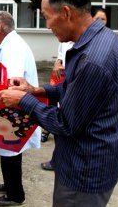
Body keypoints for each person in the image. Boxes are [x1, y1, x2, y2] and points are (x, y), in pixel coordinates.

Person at [0, 0, 118, 207]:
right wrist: (36, 90)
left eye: (47, 16)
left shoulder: (93, 59)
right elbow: (73, 89)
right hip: (88, 161)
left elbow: (65, 123)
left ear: (66, 13)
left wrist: (24, 100)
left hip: (84, 171)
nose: (47, 25)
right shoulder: (96, 41)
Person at [0, 11, 41, 206]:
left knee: (10, 150)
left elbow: (13, 81)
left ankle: (15, 195)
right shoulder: (10, 43)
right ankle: (9, 184)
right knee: (8, 149)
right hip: (13, 105)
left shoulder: (14, 47)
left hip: (15, 106)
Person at [40, 41, 74, 171]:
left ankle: (61, 161)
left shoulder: (88, 41)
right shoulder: (66, 38)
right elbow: (61, 54)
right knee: (57, 112)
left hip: (71, 82)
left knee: (65, 120)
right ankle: (58, 160)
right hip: (62, 79)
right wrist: (57, 62)